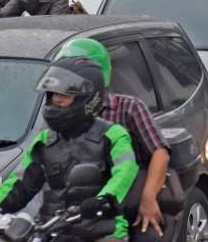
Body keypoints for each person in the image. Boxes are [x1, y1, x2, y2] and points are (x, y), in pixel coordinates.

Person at [0, 57, 139, 240]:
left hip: (102, 232)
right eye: (53, 94)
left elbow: (125, 172)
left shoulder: (112, 135)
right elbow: (20, 184)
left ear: (87, 98)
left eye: (65, 94)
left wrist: (104, 200)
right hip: (51, 231)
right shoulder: (44, 141)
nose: (56, 99)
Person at [55, 39, 171, 241]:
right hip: (76, 211)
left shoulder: (128, 107)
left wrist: (148, 198)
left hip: (125, 205)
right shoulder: (59, 114)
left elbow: (160, 153)